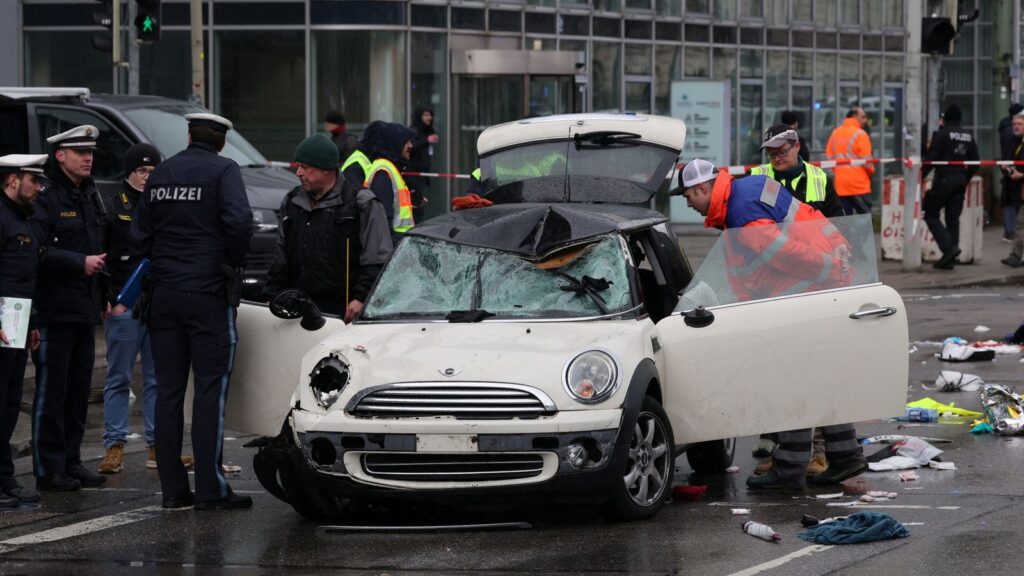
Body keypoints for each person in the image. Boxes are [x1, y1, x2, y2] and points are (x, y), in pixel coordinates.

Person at [673, 159, 867, 490]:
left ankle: (789, 469)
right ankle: (846, 456)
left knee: (790, 382)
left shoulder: (741, 213)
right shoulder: (751, 187)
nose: (688, 203)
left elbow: (784, 253)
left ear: (702, 188)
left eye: (688, 196)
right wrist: (837, 248)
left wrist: (828, 267)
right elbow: (808, 214)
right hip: (813, 291)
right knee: (816, 378)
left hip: (798, 296)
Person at [131, 113, 254, 510]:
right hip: (207, 296)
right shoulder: (223, 171)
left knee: (167, 392)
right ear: (221, 142)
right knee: (208, 393)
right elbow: (239, 223)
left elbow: (140, 234)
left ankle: (172, 490)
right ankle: (210, 489)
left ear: (188, 136)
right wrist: (230, 263)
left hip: (163, 295)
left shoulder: (162, 173)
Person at [97, 144, 194, 474]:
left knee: (158, 378)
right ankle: (114, 446)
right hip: (124, 303)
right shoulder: (114, 207)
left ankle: (158, 447)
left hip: (158, 303)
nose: (146, 177)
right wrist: (109, 299)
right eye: (141, 171)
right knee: (119, 377)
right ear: (129, 173)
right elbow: (103, 256)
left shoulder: (163, 204)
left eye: (152, 172)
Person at [30, 125, 109, 492]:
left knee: (79, 389)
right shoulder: (46, 197)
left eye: (90, 152)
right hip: (54, 308)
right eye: (80, 152)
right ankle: (48, 468)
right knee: (53, 390)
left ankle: (71, 460)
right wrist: (79, 263)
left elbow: (99, 244)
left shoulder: (89, 193)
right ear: (60, 156)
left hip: (84, 308)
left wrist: (105, 296)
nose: (88, 158)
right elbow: (36, 251)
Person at [262, 134, 393, 323]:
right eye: (298, 166)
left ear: (326, 170)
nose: (298, 173)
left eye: (305, 167)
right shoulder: (292, 202)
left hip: (343, 315)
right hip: (297, 313)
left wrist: (360, 298)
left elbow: (377, 259)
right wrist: (270, 294)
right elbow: (280, 258)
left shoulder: (361, 204)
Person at [0, 154, 48, 507]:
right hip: (1, 325)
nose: (39, 187)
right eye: (33, 179)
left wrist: (30, 325)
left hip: (15, 323)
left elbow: (23, 278)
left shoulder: (23, 219)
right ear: (13, 180)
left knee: (9, 404)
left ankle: (5, 478)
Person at [922, 104, 979, 270]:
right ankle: (949, 259)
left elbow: (931, 159)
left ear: (946, 117)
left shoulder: (942, 134)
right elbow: (975, 162)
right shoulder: (969, 136)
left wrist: (920, 176)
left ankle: (949, 249)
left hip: (944, 181)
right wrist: (964, 178)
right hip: (960, 182)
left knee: (931, 213)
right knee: (953, 219)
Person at [749, 124, 843, 218]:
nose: (777, 158)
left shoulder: (820, 178)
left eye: (782, 152)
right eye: (771, 154)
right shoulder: (753, 177)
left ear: (797, 146)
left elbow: (837, 221)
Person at [361, 121, 416, 241]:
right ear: (395, 143)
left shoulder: (388, 168)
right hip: (394, 245)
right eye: (406, 142)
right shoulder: (383, 171)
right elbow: (384, 220)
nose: (411, 145)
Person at [826, 107, 875, 216]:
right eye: (863, 117)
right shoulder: (861, 134)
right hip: (859, 185)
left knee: (845, 222)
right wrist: (869, 174)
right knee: (864, 220)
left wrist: (839, 171)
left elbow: (829, 157)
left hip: (841, 185)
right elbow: (868, 163)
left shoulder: (835, 133)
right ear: (854, 117)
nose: (865, 120)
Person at [407, 106, 439, 223]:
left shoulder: (427, 131)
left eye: (430, 115)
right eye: (425, 115)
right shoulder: (414, 130)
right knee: (417, 207)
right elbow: (411, 147)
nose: (429, 118)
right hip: (413, 176)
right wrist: (427, 141)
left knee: (421, 206)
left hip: (422, 176)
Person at [1001, 113, 1024, 268]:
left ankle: (1015, 256)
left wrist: (1021, 174)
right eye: (1014, 124)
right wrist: (1007, 168)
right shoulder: (1013, 142)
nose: (1016, 126)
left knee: (1021, 224)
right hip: (1016, 188)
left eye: (1020, 124)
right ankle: (1015, 256)